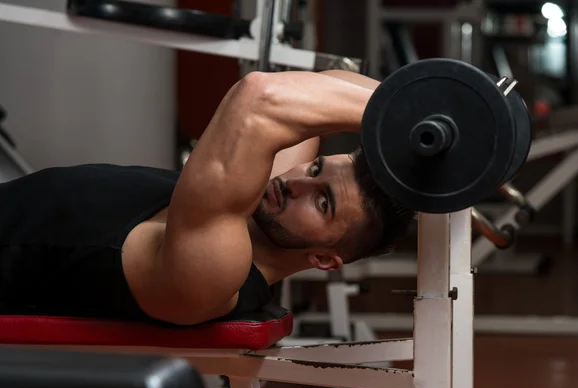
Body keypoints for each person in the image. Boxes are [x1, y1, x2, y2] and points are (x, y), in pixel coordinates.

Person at [0, 70, 414, 326]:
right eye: (315, 167)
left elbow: (259, 99)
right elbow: (327, 82)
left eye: (323, 203)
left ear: (324, 259)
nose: (297, 182)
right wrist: (428, 117)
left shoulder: (215, 273)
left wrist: (409, 117)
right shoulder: (261, 203)